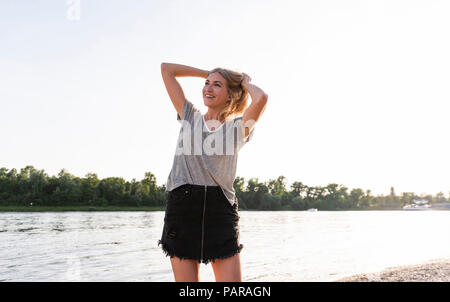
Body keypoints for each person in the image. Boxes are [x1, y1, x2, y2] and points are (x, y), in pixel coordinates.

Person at [158, 62, 268, 282]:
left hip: (219, 210)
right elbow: (166, 69)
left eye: (217, 85)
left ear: (230, 96)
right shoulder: (190, 115)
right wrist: (205, 74)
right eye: (207, 84)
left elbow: (262, 98)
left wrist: (245, 84)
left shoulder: (238, 127)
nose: (208, 88)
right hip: (183, 207)